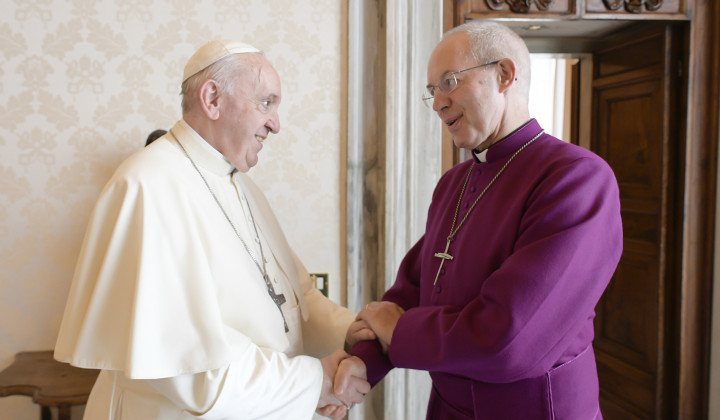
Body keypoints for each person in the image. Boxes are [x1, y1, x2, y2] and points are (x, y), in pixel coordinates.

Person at [54, 40, 370, 419]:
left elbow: (297, 301)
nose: (276, 124)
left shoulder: (242, 186)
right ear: (212, 98)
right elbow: (188, 369)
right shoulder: (148, 187)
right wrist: (314, 383)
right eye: (266, 103)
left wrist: (357, 334)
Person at [346, 21, 623, 419]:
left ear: (504, 75)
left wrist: (397, 330)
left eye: (449, 81)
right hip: (447, 409)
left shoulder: (576, 178)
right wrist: (363, 362)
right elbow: (412, 289)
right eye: (432, 91)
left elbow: (510, 337)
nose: (438, 102)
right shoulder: (454, 182)